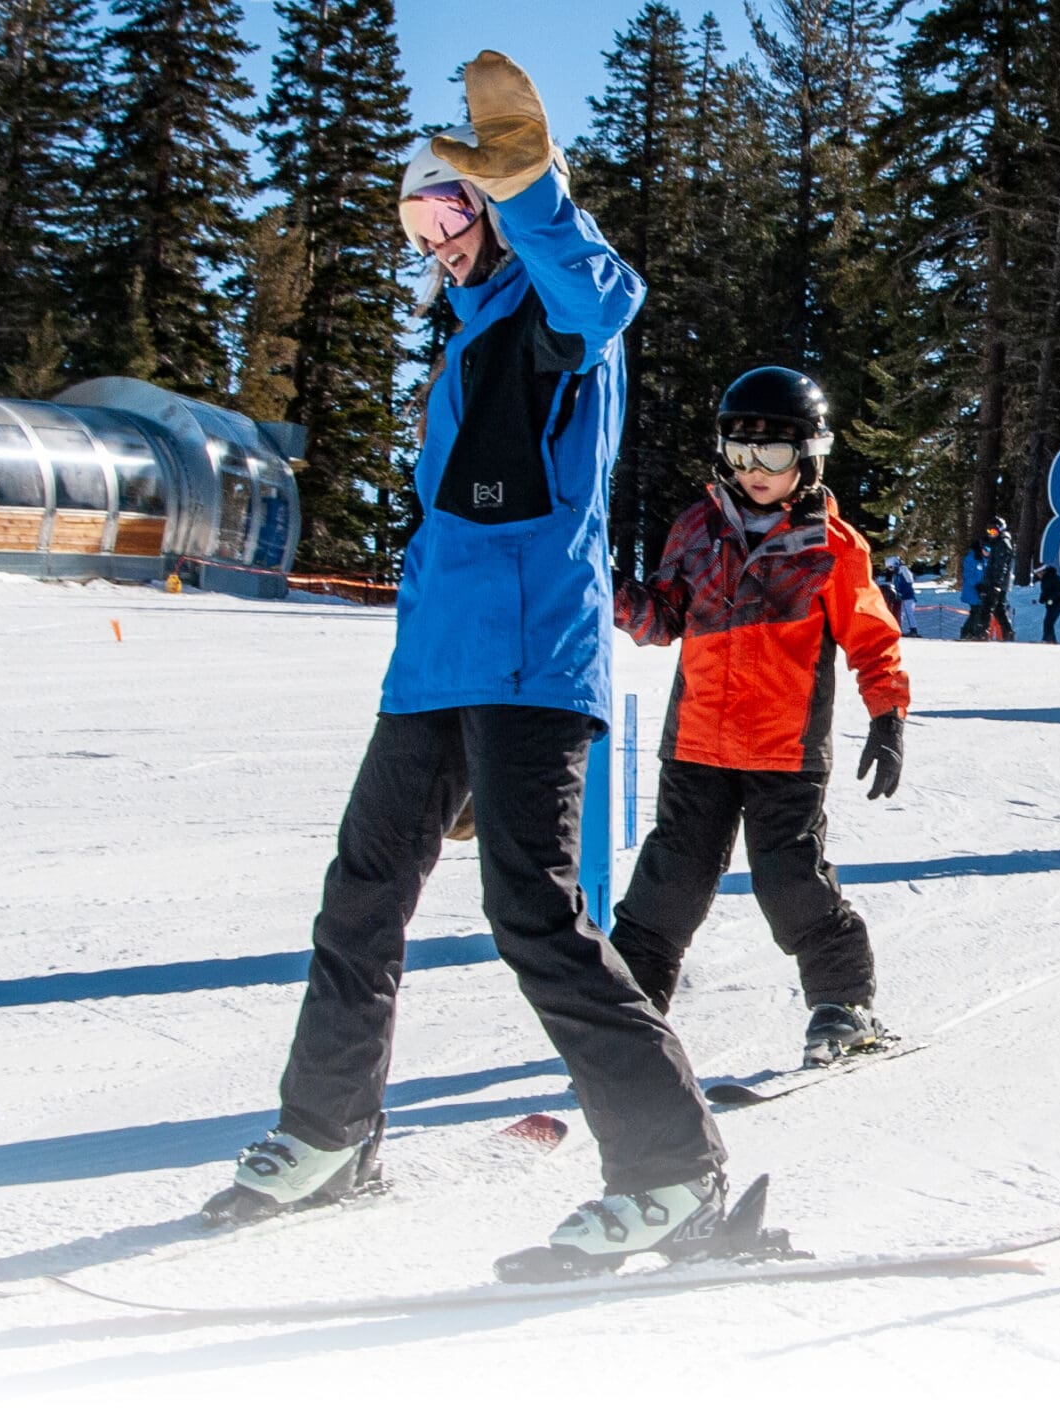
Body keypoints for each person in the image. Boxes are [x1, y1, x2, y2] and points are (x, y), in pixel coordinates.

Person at [215, 53, 730, 1270]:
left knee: (534, 916)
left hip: (529, 670)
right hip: (435, 672)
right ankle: (331, 1132)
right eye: (417, 218)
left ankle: (673, 1174)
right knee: (361, 897)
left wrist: (535, 191)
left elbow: (604, 292)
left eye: (448, 209)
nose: (432, 239)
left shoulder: (559, 324)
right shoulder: (466, 344)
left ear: (499, 207)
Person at [612, 366, 912, 1066]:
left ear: (808, 456)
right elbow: (663, 622)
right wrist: (612, 588)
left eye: (771, 455)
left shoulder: (833, 549)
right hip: (696, 743)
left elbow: (873, 638)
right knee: (671, 883)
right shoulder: (695, 529)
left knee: (789, 882)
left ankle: (843, 1004)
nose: (754, 470)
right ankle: (622, 1011)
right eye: (740, 452)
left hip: (785, 751)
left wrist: (887, 717)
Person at [979, 518, 1016, 641]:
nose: (991, 535)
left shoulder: (1003, 544)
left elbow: (1001, 566)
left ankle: (982, 632)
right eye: (989, 532)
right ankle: (1008, 632)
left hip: (997, 582)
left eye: (994, 532)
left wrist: (996, 583)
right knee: (998, 609)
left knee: (988, 606)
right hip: (995, 581)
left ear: (1000, 530)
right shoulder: (997, 543)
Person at [957, 541, 987, 639]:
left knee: (977, 611)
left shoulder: (981, 558)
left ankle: (970, 632)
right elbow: (968, 575)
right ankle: (968, 631)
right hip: (971, 590)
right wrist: (977, 584)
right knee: (976, 611)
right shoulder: (971, 558)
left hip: (978, 589)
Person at [885, 555, 920, 636]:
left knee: (909, 613)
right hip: (902, 597)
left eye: (891, 567)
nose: (891, 570)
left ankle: (914, 630)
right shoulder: (896, 575)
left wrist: (902, 593)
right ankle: (899, 629)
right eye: (889, 568)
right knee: (902, 614)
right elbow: (896, 586)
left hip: (908, 597)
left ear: (895, 564)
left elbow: (909, 582)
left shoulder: (903, 571)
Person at [1035, 561, 1060, 643]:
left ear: (1042, 571)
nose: (1038, 576)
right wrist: (1042, 599)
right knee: (1048, 622)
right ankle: (1051, 640)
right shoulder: (1045, 579)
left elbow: (1058, 591)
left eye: (1038, 573)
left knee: (1048, 622)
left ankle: (1047, 639)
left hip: (1057, 604)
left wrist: (1050, 598)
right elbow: (1045, 592)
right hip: (1052, 604)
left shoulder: (1052, 577)